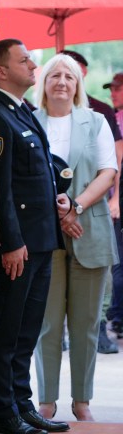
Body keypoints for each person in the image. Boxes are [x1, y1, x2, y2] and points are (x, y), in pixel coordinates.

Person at [0, 39, 69, 434]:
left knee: (27, 330)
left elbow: (39, 171)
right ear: (1, 71)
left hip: (41, 238)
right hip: (19, 244)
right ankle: (4, 412)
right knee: (6, 329)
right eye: (24, 61)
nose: (34, 66)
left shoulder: (22, 111)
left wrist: (61, 196)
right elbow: (1, 188)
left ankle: (21, 403)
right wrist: (11, 242)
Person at [33, 53, 118, 423]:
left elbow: (108, 172)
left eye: (69, 76)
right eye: (54, 75)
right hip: (43, 233)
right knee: (47, 324)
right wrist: (58, 213)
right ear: (43, 83)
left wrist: (75, 207)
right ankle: (47, 401)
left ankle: (82, 401)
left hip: (90, 230)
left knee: (86, 325)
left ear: (78, 84)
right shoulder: (30, 120)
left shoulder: (95, 121)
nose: (62, 82)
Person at [107, 72, 123, 338]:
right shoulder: (112, 116)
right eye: (111, 89)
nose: (113, 93)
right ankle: (117, 315)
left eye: (118, 88)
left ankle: (116, 315)